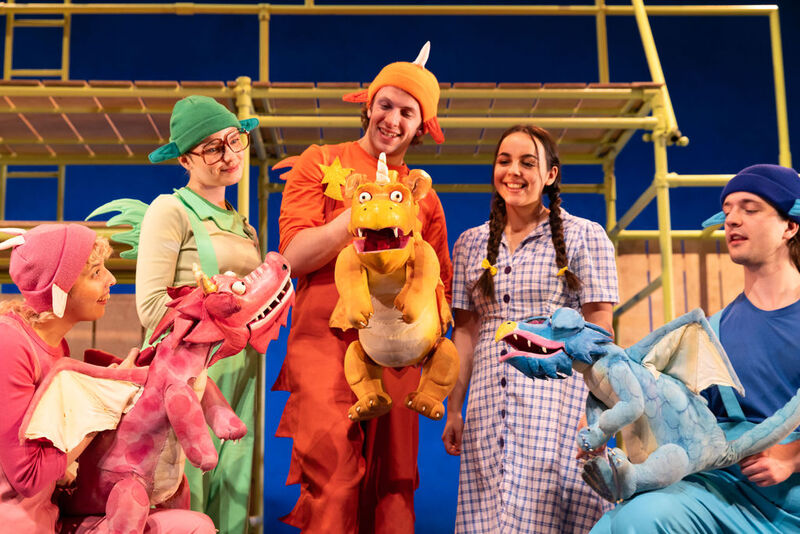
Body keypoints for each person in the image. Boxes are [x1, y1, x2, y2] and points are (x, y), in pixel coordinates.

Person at [274, 42, 452, 533]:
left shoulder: (423, 196)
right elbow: (293, 255)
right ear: (368, 105)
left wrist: (433, 359)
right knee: (330, 470)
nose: (392, 119)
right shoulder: (320, 162)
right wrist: (358, 217)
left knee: (394, 480)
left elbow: (439, 283)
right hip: (324, 340)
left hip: (398, 346)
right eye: (386, 104)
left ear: (422, 126)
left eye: (407, 112)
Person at [591, 163, 800, 533]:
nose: (732, 219)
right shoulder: (711, 331)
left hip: (789, 499)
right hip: (719, 490)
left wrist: (792, 457)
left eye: (750, 209)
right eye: (729, 210)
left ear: (790, 226)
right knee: (624, 524)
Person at [442, 124, 619, 532]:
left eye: (527, 162)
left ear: (551, 175)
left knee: (553, 511)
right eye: (504, 161)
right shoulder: (471, 243)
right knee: (489, 517)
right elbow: (465, 334)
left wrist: (599, 417)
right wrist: (454, 408)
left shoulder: (584, 236)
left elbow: (600, 329)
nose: (513, 171)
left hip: (560, 406)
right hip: (488, 408)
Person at [0, 223, 215, 533]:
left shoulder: (56, 346)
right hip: (19, 526)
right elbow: (28, 476)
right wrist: (102, 402)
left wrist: (109, 388)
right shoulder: (10, 345)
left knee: (193, 526)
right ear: (61, 289)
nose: (112, 279)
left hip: (54, 518)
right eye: (96, 273)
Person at [141, 95, 261, 534]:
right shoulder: (171, 211)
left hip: (243, 371)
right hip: (187, 380)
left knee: (232, 491)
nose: (229, 156)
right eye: (212, 148)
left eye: (234, 140)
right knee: (184, 493)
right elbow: (152, 308)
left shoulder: (242, 225)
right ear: (185, 159)